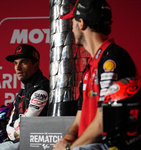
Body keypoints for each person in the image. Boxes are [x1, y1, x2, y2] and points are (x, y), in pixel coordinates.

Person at [53, 0, 138, 150]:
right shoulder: (91, 65)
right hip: (88, 145)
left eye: (72, 22)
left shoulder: (112, 60)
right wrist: (63, 142)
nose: (71, 29)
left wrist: (68, 148)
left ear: (81, 23)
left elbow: (102, 122)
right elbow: (79, 119)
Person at [0, 44, 49, 150]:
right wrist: (15, 132)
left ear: (36, 65)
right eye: (16, 63)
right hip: (18, 142)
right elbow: (9, 127)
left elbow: (26, 127)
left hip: (35, 144)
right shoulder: (22, 92)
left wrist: (17, 128)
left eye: (24, 62)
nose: (18, 67)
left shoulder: (42, 89)